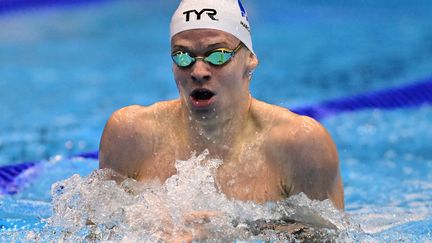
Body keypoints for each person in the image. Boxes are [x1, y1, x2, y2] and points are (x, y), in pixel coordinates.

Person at [99, 0, 344, 210]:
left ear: (250, 59)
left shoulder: (299, 144)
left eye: (218, 55)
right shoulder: (131, 135)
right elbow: (94, 233)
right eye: (182, 56)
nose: (198, 71)